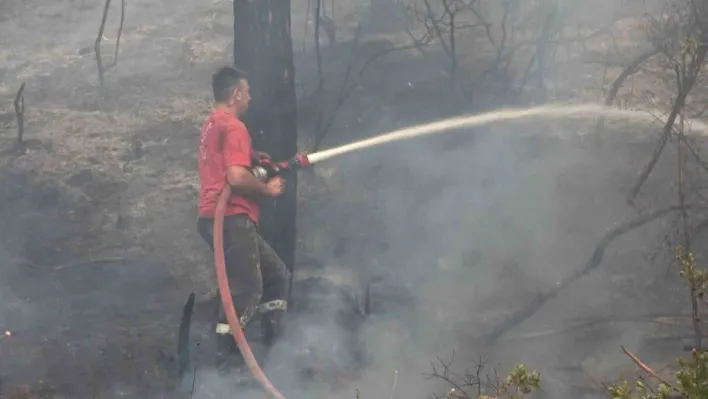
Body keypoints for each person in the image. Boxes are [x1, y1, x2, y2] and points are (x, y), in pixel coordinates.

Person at [196, 66, 291, 351]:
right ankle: (225, 363)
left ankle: (273, 347)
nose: (249, 98)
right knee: (247, 290)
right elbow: (236, 178)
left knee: (276, 275)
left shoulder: (212, 124)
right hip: (232, 218)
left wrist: (250, 156)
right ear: (236, 93)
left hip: (214, 219)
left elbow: (223, 162)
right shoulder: (235, 126)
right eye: (247, 92)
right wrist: (268, 190)